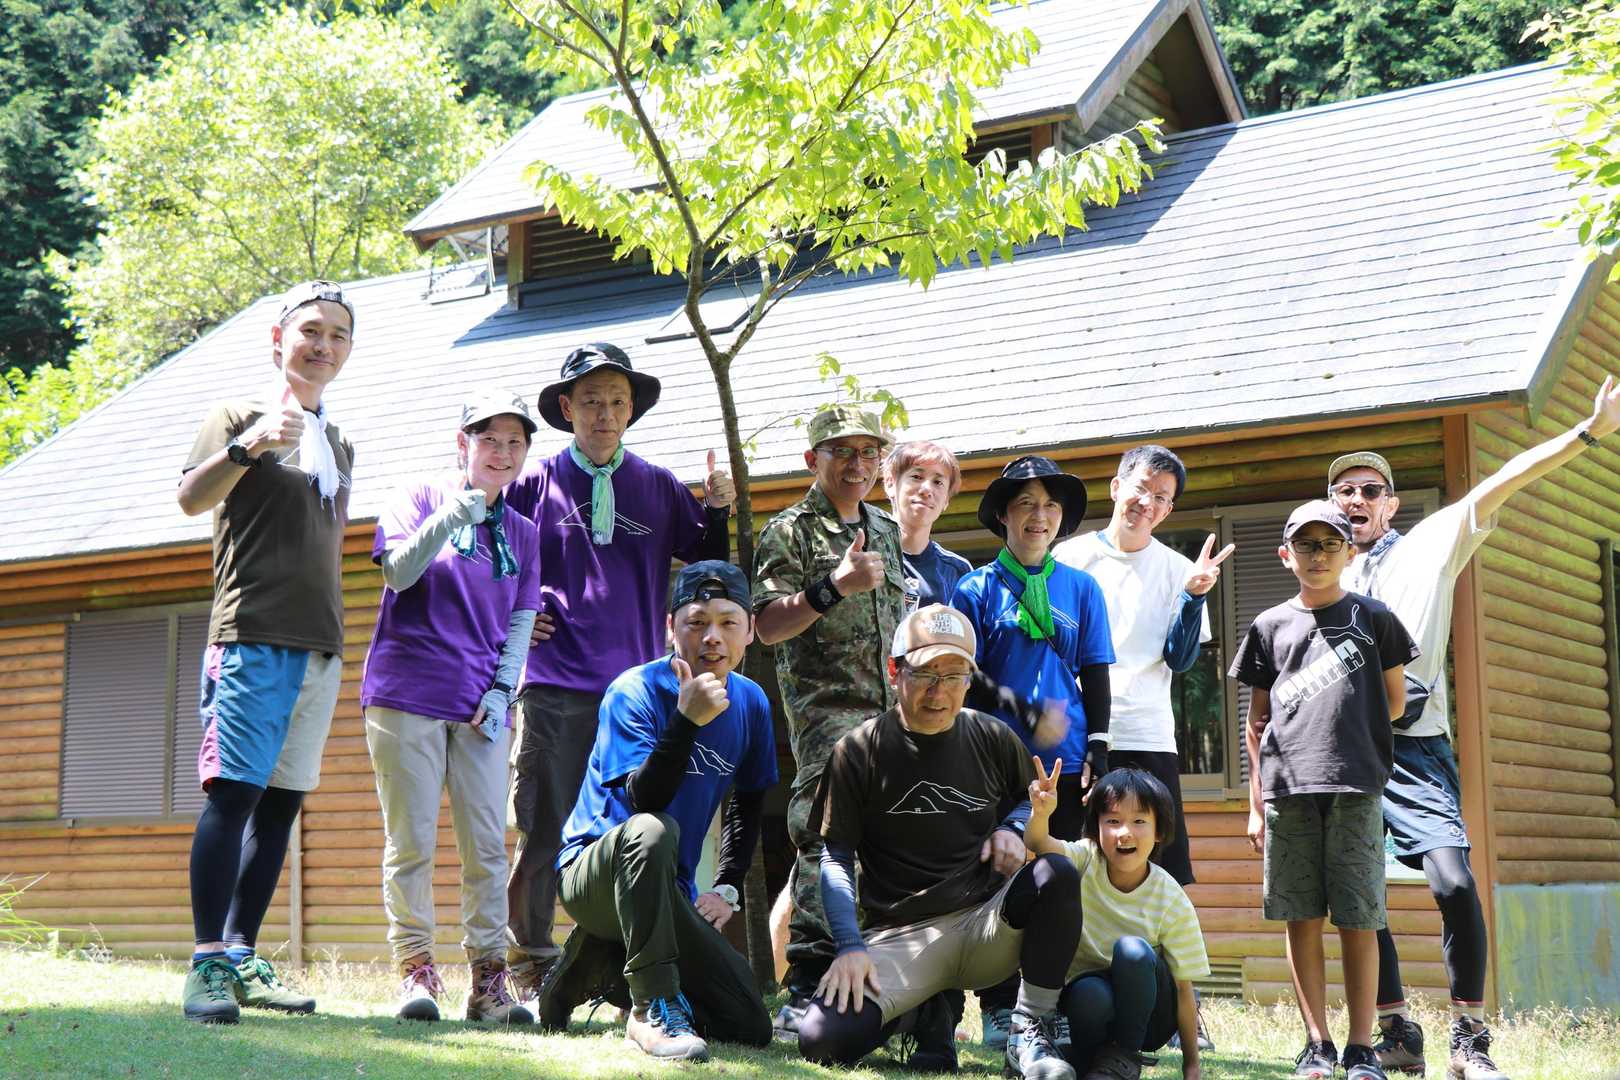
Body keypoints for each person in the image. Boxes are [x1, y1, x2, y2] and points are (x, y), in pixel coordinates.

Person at [1292, 373, 1620, 1080]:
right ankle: (1395, 1034)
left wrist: (1587, 433)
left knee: (1453, 882)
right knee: (1360, 897)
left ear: (1390, 504)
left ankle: (1470, 1038)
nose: (1356, 500)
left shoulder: (1431, 543)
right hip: (1348, 756)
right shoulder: (1323, 581)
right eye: (1344, 492)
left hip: (1415, 751)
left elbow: (1504, 480)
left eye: (1370, 490)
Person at [502, 342, 735, 995]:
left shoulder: (658, 486)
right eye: (591, 402)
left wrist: (718, 509)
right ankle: (529, 965)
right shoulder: (532, 484)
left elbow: (709, 567)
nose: (603, 414)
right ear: (566, 408)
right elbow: (485, 561)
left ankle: (616, 970)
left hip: (636, 697)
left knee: (631, 832)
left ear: (631, 410)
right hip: (552, 688)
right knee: (544, 828)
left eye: (616, 402)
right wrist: (508, 621)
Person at [797, 604, 1082, 1080]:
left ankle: (1029, 1030)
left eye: (953, 676)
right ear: (894, 672)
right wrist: (849, 946)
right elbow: (836, 855)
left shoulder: (992, 736)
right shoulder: (858, 751)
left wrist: (1011, 829)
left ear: (969, 681)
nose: (939, 691)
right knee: (822, 1039)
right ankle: (925, 1012)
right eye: (926, 674)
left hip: (986, 923)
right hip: (901, 935)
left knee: (1056, 873)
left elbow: (1024, 800)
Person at [174, 281, 356, 1023]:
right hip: (250, 638)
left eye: (338, 335)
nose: (323, 345)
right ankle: (206, 966)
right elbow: (190, 498)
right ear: (278, 340)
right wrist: (248, 447)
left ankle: (242, 955)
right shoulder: (237, 416)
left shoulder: (338, 444)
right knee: (234, 796)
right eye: (310, 330)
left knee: (281, 807)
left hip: (321, 648)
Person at [538, 560, 777, 1061]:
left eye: (728, 623)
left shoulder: (752, 702)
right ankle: (650, 1008)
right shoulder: (634, 691)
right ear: (671, 627)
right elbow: (644, 802)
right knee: (652, 829)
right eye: (696, 622)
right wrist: (686, 720)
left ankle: (597, 960)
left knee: (749, 1023)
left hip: (669, 891)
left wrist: (727, 886)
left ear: (751, 630)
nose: (712, 637)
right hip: (593, 876)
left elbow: (750, 799)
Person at [361, 392, 541, 1025]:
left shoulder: (523, 532)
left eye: (515, 442)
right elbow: (398, 574)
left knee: (488, 846)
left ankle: (489, 984)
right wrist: (447, 517)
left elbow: (521, 621)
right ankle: (416, 972)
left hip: (482, 706)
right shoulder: (416, 497)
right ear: (462, 444)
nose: (502, 453)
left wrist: (502, 690)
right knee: (411, 842)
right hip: (405, 694)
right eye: (489, 439)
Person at [1231, 501, 1418, 1080]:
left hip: (1356, 787)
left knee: (1360, 918)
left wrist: (1350, 736)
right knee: (1301, 917)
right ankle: (1318, 1045)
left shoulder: (1375, 618)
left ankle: (1362, 1049)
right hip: (1287, 792)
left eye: (1330, 544)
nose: (1318, 555)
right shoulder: (1268, 626)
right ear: (1286, 555)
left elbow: (1394, 703)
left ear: (1349, 552)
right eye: (1306, 545)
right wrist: (1256, 806)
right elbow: (1256, 723)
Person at [752, 404, 905, 1033]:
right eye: (842, 451)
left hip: (893, 713)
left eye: (869, 452)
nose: (857, 464)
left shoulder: (886, 529)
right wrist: (832, 586)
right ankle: (806, 984)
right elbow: (765, 626)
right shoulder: (789, 531)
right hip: (826, 715)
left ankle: (884, 985)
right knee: (823, 838)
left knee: (887, 842)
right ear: (813, 459)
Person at [1053, 445, 1230, 888]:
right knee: (1075, 862)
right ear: (1116, 487)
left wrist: (1193, 597)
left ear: (1168, 510)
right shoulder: (1068, 559)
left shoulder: (1179, 569)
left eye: (1162, 497)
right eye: (1141, 488)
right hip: (1078, 733)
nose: (1147, 503)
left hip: (1147, 732)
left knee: (1159, 868)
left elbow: (1180, 659)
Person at [952, 456, 1115, 831]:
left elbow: (1095, 672)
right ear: (1003, 514)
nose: (1040, 516)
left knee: (1062, 861)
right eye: (1026, 503)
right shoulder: (974, 589)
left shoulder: (1083, 587)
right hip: (992, 758)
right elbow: (963, 676)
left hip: (1066, 760)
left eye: (1051, 504)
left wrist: (1098, 746)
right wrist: (1025, 712)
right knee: (998, 861)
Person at [1025, 764, 1210, 1080]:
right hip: (1090, 1000)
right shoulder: (1086, 859)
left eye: (1139, 821)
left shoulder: (1170, 897)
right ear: (1096, 828)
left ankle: (1125, 1056)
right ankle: (1090, 1059)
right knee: (1089, 993)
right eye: (1112, 821)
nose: (1124, 832)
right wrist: (1040, 813)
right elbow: (1039, 843)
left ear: (1159, 832)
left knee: (1132, 951)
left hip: (1150, 1018)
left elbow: (1183, 989)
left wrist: (1191, 1066)